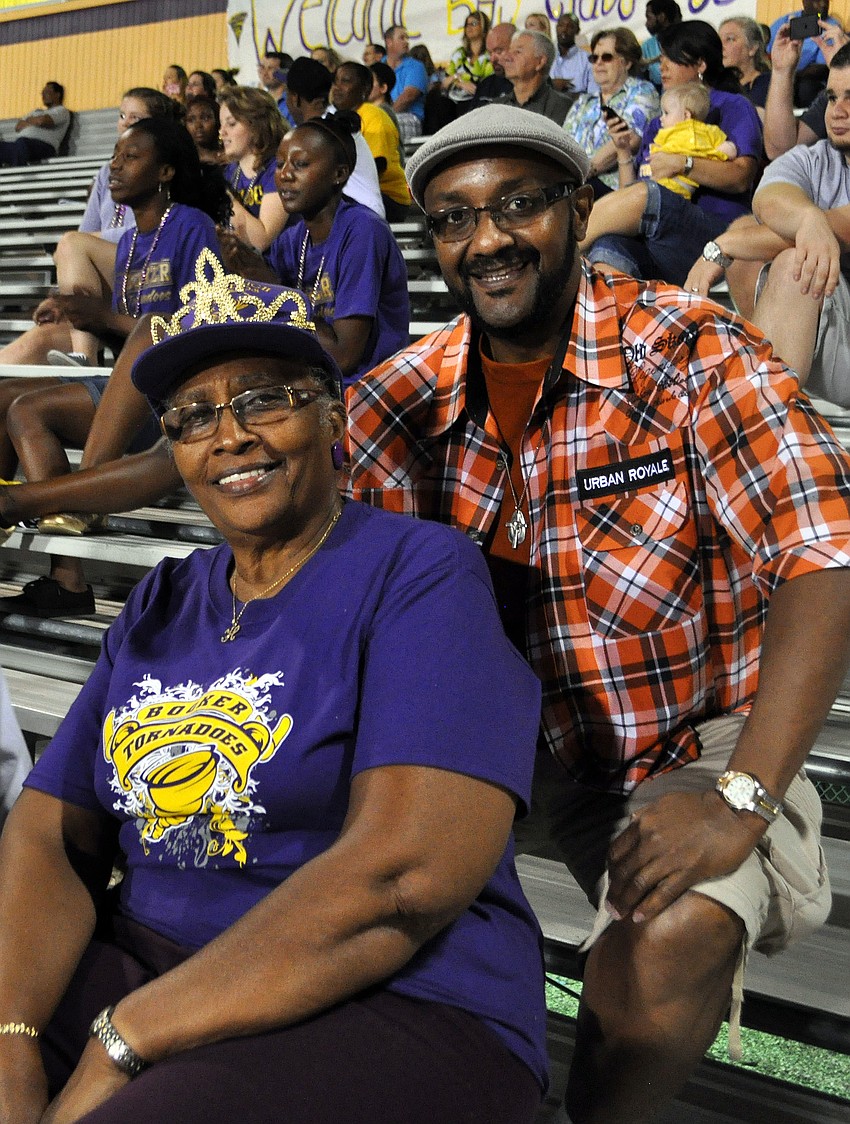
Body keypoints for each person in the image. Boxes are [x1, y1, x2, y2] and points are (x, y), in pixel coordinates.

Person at [347, 103, 849, 1124]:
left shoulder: (686, 346)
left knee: (670, 935)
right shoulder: (400, 398)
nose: (485, 238)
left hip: (689, 730)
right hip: (499, 736)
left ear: (581, 212)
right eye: (452, 218)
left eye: (518, 204)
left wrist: (743, 794)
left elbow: (825, 553)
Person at [0, 269, 549, 1124]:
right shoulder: (166, 597)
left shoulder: (421, 573)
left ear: (333, 417)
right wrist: (14, 1037)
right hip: (151, 957)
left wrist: (128, 1038)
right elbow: (48, 830)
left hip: (397, 996)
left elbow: (403, 877)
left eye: (264, 399)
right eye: (192, 416)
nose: (230, 436)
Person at [0, 117, 225, 618]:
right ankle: (63, 577)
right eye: (115, 157)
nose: (114, 167)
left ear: (165, 171)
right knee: (12, 401)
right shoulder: (127, 245)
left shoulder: (191, 225)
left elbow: (198, 323)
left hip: (170, 395)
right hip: (130, 388)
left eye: (131, 157)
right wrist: (81, 316)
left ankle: (71, 529)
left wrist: (103, 315)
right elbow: (125, 335)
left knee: (27, 409)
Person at [224, 112, 409, 386]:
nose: (284, 175)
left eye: (300, 164)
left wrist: (272, 289)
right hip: (314, 384)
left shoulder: (363, 231)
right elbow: (260, 285)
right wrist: (236, 261)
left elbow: (345, 356)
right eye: (279, 164)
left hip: (367, 389)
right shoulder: (294, 238)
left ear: (339, 174)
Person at [0, 87, 173, 373]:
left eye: (136, 117)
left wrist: (85, 243)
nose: (125, 122)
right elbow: (86, 232)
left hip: (148, 275)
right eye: (121, 115)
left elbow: (152, 233)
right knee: (32, 344)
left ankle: (86, 362)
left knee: (70, 243)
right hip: (108, 285)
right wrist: (60, 297)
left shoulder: (163, 170)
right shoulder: (107, 172)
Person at [586, 20, 762, 288]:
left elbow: (741, 176)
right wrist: (623, 152)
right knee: (608, 247)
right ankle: (613, 324)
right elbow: (630, 193)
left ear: (700, 65)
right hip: (659, 236)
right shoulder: (660, 122)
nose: (662, 67)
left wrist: (683, 163)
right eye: (661, 58)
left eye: (671, 59)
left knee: (650, 196)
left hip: (717, 237)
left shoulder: (732, 106)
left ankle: (559, 253)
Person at [746, 43, 850, 407]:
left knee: (775, 250)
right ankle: (763, 423)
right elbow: (768, 198)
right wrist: (808, 219)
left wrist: (723, 247)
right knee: (793, 262)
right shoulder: (818, 158)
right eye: (832, 96)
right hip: (842, 337)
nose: (838, 110)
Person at [579, 82, 737, 247]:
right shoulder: (659, 133)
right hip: (645, 197)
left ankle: (571, 252)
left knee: (635, 198)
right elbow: (629, 189)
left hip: (670, 198)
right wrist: (623, 148)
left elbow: (730, 154)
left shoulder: (705, 131)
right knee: (607, 243)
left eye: (666, 113)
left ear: (686, 115)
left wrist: (686, 162)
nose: (661, 118)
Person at [562, 27, 659, 196]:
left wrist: (584, 171)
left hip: (615, 188)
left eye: (606, 57)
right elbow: (563, 143)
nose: (598, 62)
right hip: (575, 183)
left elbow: (629, 139)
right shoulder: (583, 102)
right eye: (594, 57)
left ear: (626, 62)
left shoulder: (642, 91)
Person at [286, 57, 385, 220]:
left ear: (295, 98)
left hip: (358, 223)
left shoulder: (321, 132)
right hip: (361, 219)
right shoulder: (335, 121)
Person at [331, 62, 411, 221]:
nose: (337, 87)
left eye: (345, 81)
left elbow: (378, 165)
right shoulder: (335, 116)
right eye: (335, 81)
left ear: (365, 89)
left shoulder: (374, 115)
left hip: (388, 197)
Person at [218, 86, 287, 252]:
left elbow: (261, 240)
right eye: (221, 125)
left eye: (231, 124)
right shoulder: (229, 173)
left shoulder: (278, 169)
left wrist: (222, 197)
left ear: (256, 125)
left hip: (277, 271)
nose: (222, 133)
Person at [766, 0, 841, 106]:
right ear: (805, 2)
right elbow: (765, 53)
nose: (824, 5)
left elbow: (821, 68)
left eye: (826, 1)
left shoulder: (832, 26)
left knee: (806, 88)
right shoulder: (785, 21)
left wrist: (791, 74)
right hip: (780, 72)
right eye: (818, 1)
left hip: (808, 80)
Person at [499, 29, 575, 126]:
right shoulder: (497, 107)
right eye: (509, 51)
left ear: (540, 62)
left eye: (517, 52)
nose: (507, 57)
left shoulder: (562, 107)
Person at [0, 82, 70, 166]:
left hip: (44, 147)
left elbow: (42, 121)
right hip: (22, 146)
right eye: (42, 93)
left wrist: (29, 121)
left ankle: (19, 174)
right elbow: (18, 127)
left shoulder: (61, 110)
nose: (43, 95)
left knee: (22, 144)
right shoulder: (36, 111)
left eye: (47, 92)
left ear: (58, 94)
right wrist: (35, 121)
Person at [383, 25, 429, 139]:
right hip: (384, 117)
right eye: (402, 38)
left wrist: (385, 116)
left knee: (380, 127)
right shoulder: (378, 66)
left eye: (407, 38)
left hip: (410, 117)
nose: (407, 42)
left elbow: (408, 96)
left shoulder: (416, 66)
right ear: (389, 42)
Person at [442, 10, 493, 106]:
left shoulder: (490, 54)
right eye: (466, 25)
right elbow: (445, 81)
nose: (469, 27)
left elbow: (489, 81)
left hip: (480, 99)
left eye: (473, 23)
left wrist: (457, 78)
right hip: (456, 99)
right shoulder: (459, 53)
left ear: (483, 26)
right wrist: (460, 83)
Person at [720, 16, 771, 112]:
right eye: (719, 40)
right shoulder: (716, 86)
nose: (721, 46)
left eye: (730, 39)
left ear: (752, 48)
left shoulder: (765, 83)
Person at [551, 14, 597, 95]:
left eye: (570, 27)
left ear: (577, 31)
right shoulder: (547, 56)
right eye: (561, 25)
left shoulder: (588, 60)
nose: (564, 30)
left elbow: (593, 96)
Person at [472, 23, 516, 107]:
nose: (492, 59)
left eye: (498, 51)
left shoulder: (532, 85)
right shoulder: (485, 85)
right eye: (489, 53)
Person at [641, 0, 681, 88]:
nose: (646, 23)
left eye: (649, 17)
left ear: (662, 17)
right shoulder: (647, 46)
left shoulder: (687, 40)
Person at [257, 50, 296, 127]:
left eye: (270, 68)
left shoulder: (294, 101)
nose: (264, 73)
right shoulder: (258, 100)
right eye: (262, 67)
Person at [184, 94, 221, 164]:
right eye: (191, 120)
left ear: (217, 120)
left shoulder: (231, 157)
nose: (198, 125)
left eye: (205, 118)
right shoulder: (182, 159)